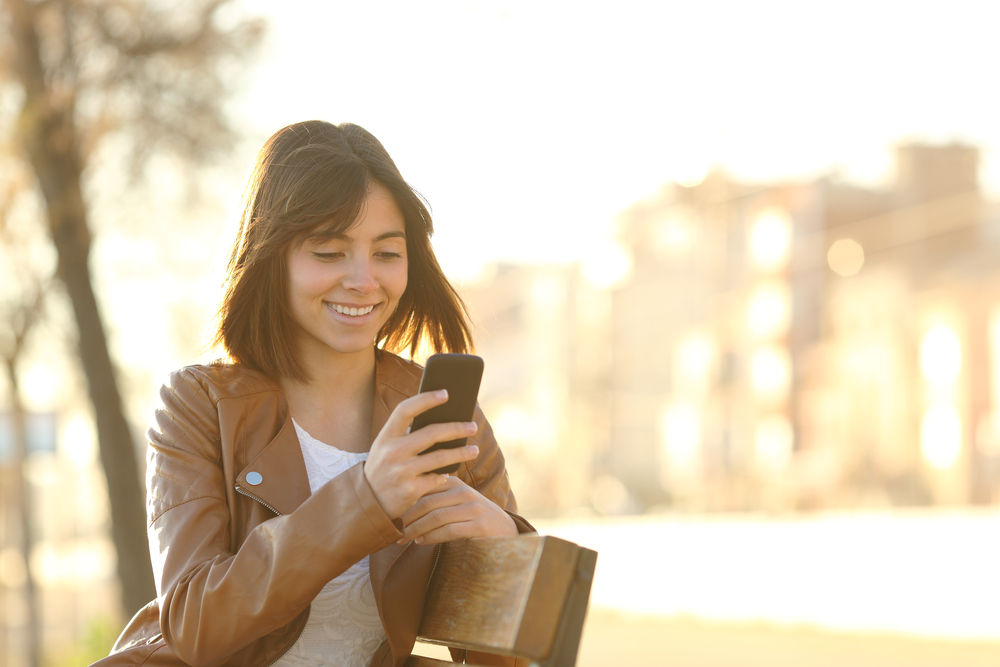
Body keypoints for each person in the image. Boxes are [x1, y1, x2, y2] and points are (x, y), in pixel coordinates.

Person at [96, 120, 532, 667]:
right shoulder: (198, 405)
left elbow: (510, 658)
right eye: (329, 253)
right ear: (270, 256)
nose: (363, 280)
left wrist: (503, 545)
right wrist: (365, 499)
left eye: (387, 254)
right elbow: (194, 626)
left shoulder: (445, 417)